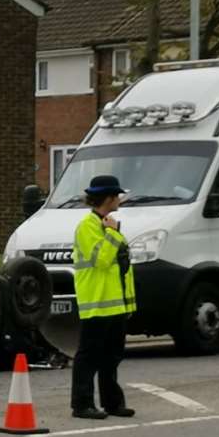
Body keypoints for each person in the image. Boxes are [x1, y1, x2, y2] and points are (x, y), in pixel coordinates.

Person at [72, 174, 138, 420]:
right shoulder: (88, 227)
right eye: (117, 195)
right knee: (88, 356)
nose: (119, 199)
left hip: (115, 304)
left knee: (112, 357)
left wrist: (128, 303)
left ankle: (113, 403)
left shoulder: (108, 224)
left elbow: (122, 267)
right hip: (97, 303)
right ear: (108, 198)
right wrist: (112, 234)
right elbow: (102, 261)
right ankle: (81, 404)